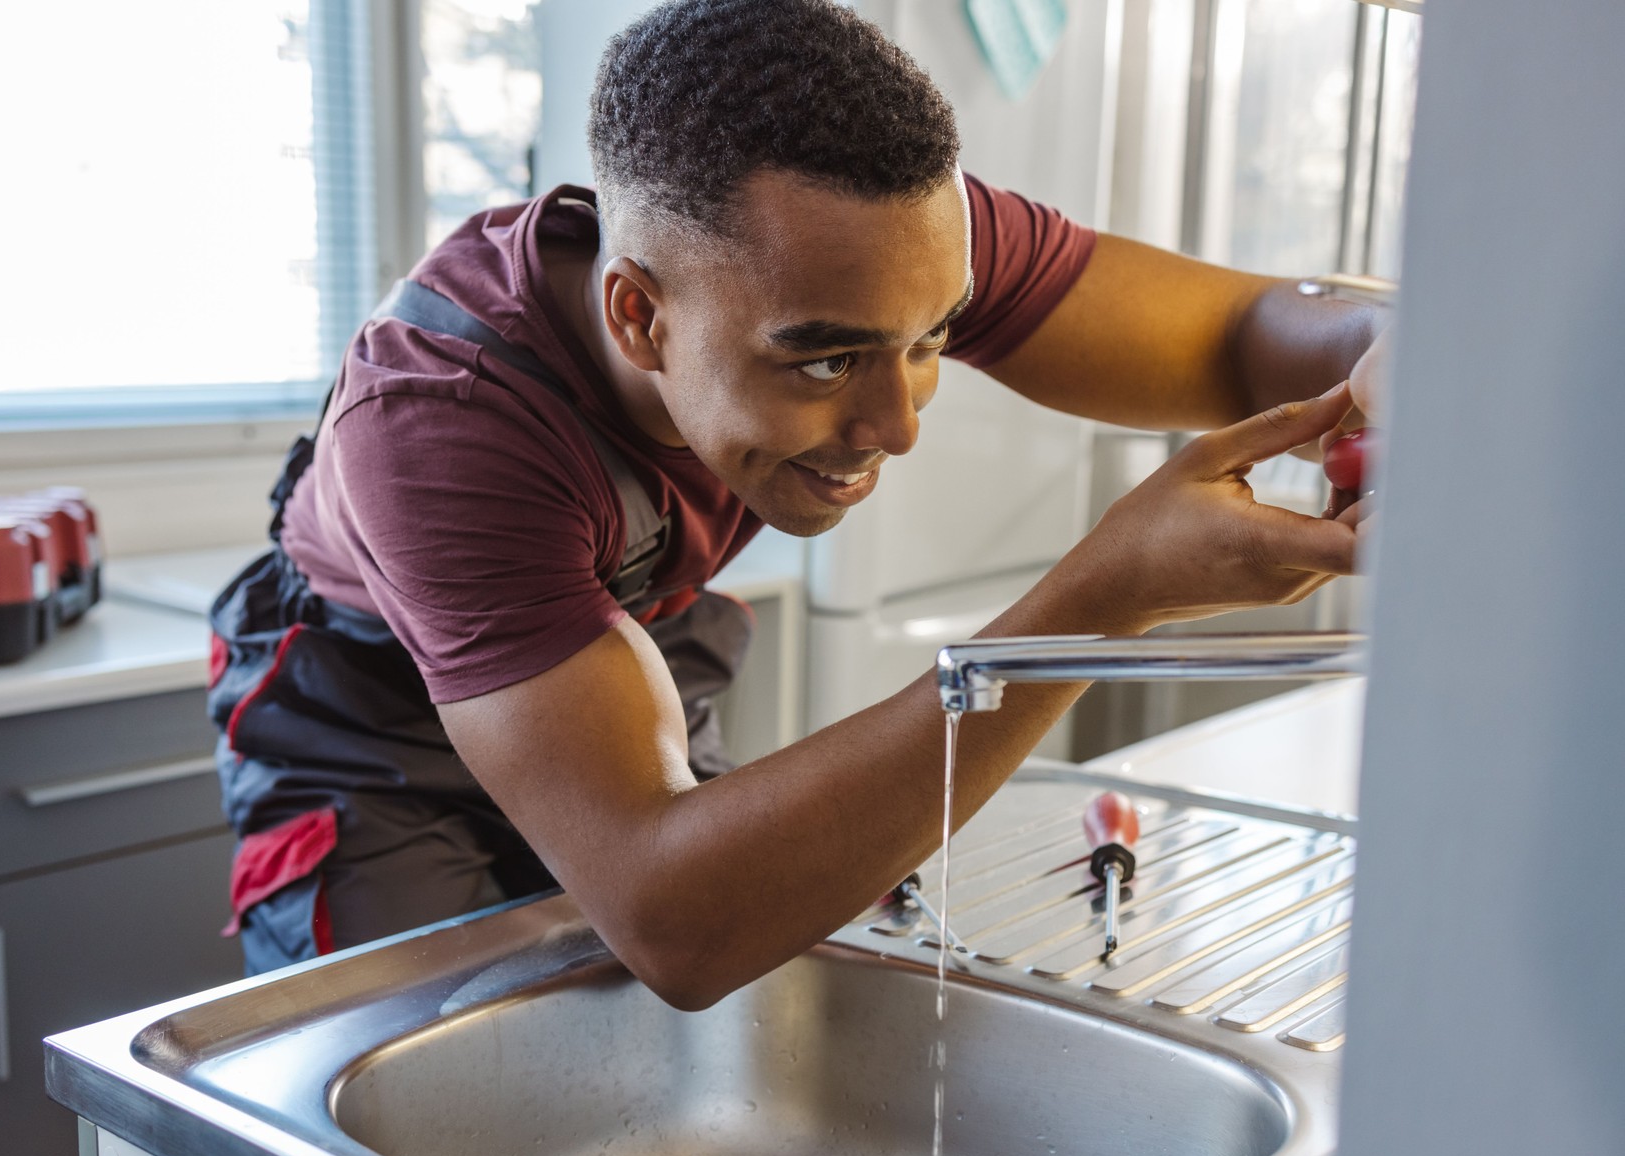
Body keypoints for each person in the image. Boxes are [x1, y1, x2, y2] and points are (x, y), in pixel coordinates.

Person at [210, 0, 1380, 1005]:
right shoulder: (442, 429)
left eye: (930, 342)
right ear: (638, 317)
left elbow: (1238, 335)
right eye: (825, 364)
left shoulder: (874, 251)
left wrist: (1400, 345)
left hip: (619, 661)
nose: (898, 426)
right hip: (378, 732)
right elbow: (677, 916)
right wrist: (1101, 600)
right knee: (424, 1084)